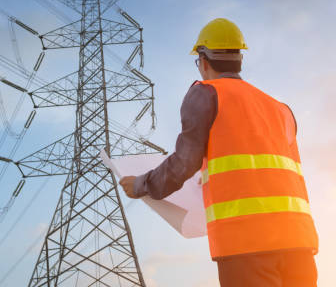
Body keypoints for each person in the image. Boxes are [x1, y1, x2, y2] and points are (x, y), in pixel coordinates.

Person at [119, 18, 319, 287]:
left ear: (203, 60)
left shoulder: (205, 93)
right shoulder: (280, 108)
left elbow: (183, 164)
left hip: (246, 245)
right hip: (298, 243)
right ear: (239, 59)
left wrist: (141, 184)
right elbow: (262, 167)